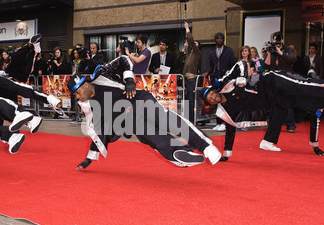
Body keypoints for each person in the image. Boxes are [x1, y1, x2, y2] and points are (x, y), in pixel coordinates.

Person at [67, 55, 222, 170]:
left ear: (86, 85)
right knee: (157, 140)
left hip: (139, 99)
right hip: (132, 121)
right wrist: (89, 159)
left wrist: (129, 80)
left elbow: (123, 60)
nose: (78, 97)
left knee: (163, 120)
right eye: (75, 95)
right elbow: (98, 133)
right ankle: (183, 154)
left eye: (78, 92)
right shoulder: (91, 106)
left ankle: (205, 145)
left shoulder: (101, 76)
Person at [200, 60, 324, 160]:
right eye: (210, 100)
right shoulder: (227, 110)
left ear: (214, 91)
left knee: (309, 88)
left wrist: (241, 83)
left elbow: (241, 63)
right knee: (312, 104)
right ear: (211, 104)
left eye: (212, 94)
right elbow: (230, 129)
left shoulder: (225, 84)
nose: (213, 98)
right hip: (275, 99)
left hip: (273, 81)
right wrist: (227, 154)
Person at [204, 32, 237, 132]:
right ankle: (218, 122)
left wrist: (231, 76)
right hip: (216, 79)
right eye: (217, 38)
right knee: (216, 100)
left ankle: (224, 122)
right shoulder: (211, 52)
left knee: (224, 101)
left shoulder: (229, 51)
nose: (219, 40)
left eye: (221, 38)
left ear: (223, 39)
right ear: (215, 40)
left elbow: (233, 65)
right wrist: (208, 72)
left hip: (226, 79)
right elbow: (211, 67)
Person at [181, 21, 202, 123]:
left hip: (191, 80)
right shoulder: (189, 54)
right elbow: (178, 59)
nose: (193, 45)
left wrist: (187, 29)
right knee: (185, 101)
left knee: (191, 101)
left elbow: (191, 41)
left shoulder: (197, 53)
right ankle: (186, 120)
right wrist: (184, 49)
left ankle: (192, 121)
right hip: (185, 80)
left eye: (195, 44)